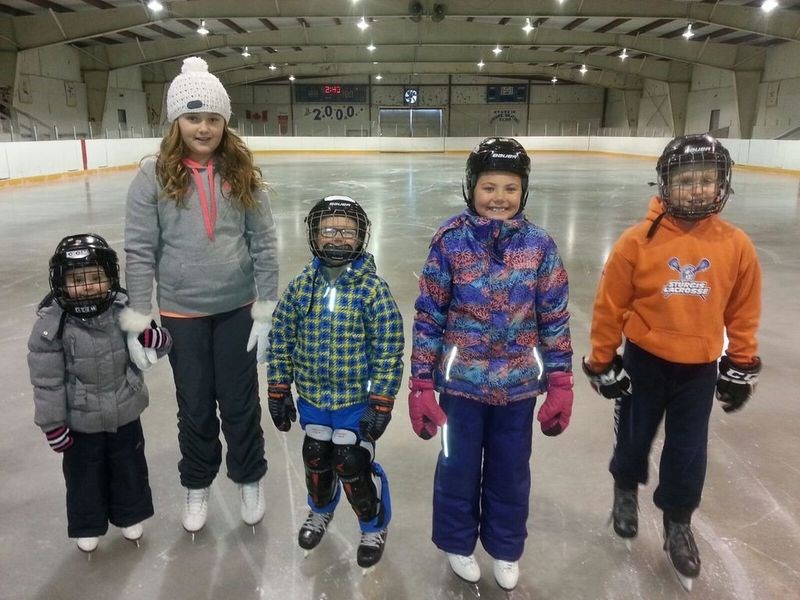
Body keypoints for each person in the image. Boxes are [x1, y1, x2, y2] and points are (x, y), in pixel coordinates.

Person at [581, 133, 762, 591]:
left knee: (688, 449)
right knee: (634, 434)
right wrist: (603, 360)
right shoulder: (636, 242)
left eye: (708, 179)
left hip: (699, 367)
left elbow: (743, 309)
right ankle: (626, 488)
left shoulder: (736, 246)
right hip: (644, 362)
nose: (698, 188)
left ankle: (678, 521)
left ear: (723, 185)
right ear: (665, 183)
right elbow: (610, 305)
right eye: (687, 180)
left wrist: (739, 362)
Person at [408, 137, 574, 591]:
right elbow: (429, 315)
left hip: (519, 386)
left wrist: (560, 380)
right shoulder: (450, 242)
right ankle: (457, 543)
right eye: (488, 187)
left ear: (524, 192)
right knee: (456, 469)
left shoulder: (540, 246)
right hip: (461, 386)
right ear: (470, 188)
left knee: (511, 472)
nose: (499, 198)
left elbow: (554, 316)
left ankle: (504, 547)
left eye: (510, 188)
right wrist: (421, 383)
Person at [124, 56, 279, 534]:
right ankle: (196, 484)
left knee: (240, 404)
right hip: (181, 313)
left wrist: (266, 309)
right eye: (194, 117)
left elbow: (264, 241)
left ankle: (248, 478)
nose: (204, 127)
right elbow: (139, 249)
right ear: (177, 121)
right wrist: (139, 317)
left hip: (236, 310)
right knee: (194, 405)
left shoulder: (243, 173)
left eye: (213, 118)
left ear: (225, 122)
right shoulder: (152, 176)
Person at [265, 196, 404, 569]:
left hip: (354, 401)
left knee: (350, 461)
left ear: (361, 237)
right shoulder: (300, 287)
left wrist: (382, 400)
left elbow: (389, 347)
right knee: (315, 458)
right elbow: (280, 338)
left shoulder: (371, 290)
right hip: (312, 396)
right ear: (313, 235)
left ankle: (372, 525)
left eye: (347, 231)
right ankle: (320, 510)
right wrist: (279, 387)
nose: (337, 238)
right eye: (328, 230)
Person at [28, 233, 172, 553]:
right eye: (78, 280)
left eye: (96, 277)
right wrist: (53, 423)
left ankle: (130, 514)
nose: (89, 286)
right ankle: (87, 523)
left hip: (124, 410)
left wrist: (156, 340)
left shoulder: (123, 310)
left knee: (129, 468)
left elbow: (154, 343)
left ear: (110, 277)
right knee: (83, 476)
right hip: (81, 422)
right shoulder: (52, 325)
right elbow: (47, 381)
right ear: (61, 284)